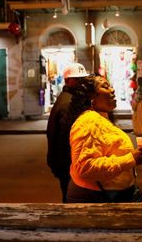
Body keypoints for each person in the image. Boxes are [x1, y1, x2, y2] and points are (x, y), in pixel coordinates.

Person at [66, 74, 142, 203]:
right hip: (97, 197)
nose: (112, 90)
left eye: (111, 86)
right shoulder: (88, 122)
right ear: (92, 96)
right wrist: (130, 159)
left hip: (110, 194)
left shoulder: (100, 117)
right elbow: (85, 167)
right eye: (105, 87)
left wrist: (136, 158)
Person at [46, 62, 89, 203]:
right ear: (68, 81)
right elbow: (65, 140)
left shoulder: (69, 98)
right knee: (71, 199)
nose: (81, 83)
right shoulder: (68, 103)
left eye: (83, 79)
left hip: (64, 164)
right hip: (67, 165)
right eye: (78, 80)